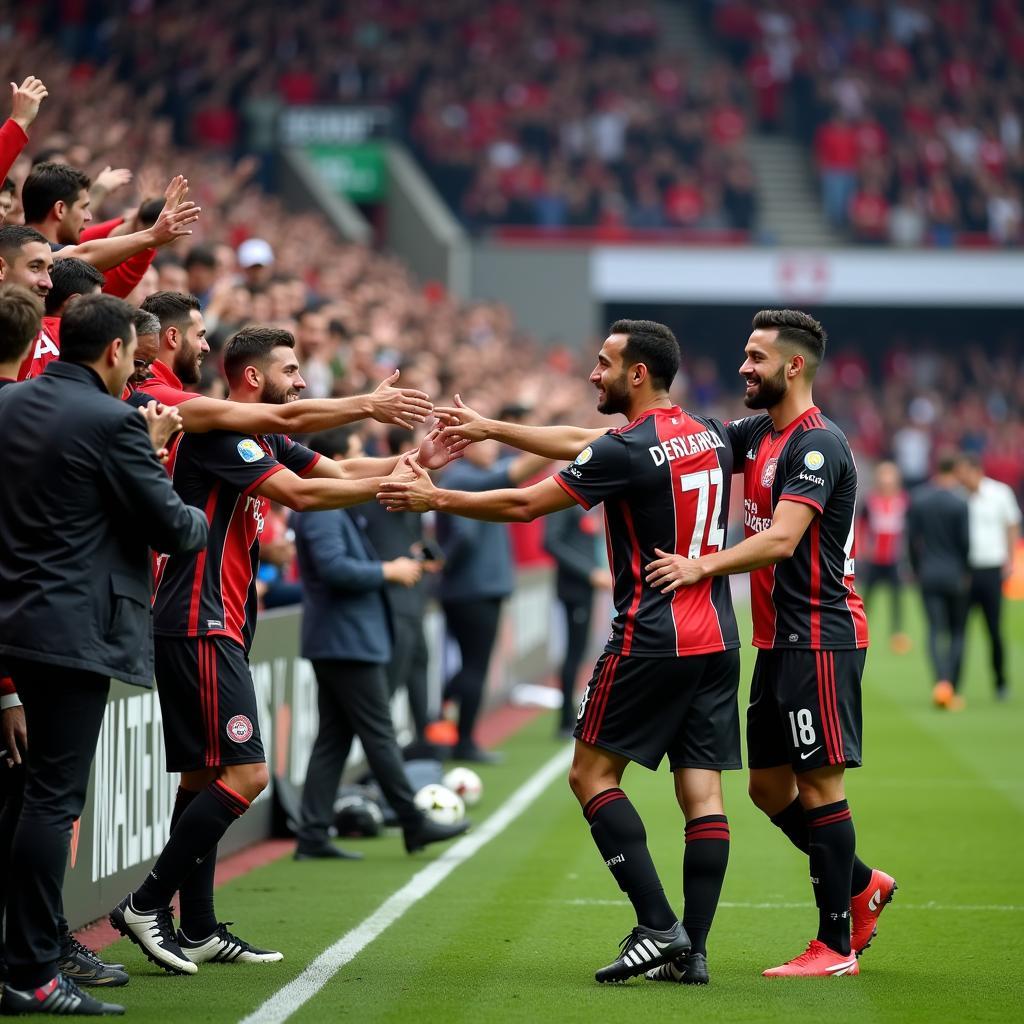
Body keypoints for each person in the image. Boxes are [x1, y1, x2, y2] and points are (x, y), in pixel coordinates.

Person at [383, 319, 743, 986]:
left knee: (590, 776)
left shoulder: (627, 448)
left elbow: (523, 504)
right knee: (703, 794)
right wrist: (493, 429)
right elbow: (586, 443)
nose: (592, 374)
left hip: (651, 636)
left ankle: (658, 923)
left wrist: (436, 497)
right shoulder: (711, 433)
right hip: (718, 636)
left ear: (638, 374)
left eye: (604, 364)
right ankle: (694, 953)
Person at [109, 327, 463, 976]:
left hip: (224, 620)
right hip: (199, 618)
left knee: (204, 777)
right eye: (291, 369)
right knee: (246, 775)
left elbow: (335, 471)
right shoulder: (222, 432)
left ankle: (199, 927)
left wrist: (415, 464)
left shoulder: (261, 434)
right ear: (251, 377)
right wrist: (368, 412)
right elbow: (302, 497)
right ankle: (145, 902)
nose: (301, 380)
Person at [647, 309, 894, 978]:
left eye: (755, 357)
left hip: (820, 637)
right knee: (765, 788)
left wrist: (701, 565)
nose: (742, 368)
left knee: (820, 787)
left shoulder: (818, 446)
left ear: (793, 366)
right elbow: (645, 446)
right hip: (778, 640)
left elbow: (783, 539)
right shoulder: (757, 432)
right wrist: (502, 430)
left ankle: (836, 945)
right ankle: (863, 881)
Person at [0, 293, 207, 1016]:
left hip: (15, 623)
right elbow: (178, 531)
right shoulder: (118, 421)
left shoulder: (8, 404)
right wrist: (158, 448)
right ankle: (30, 972)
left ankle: (23, 955)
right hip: (73, 632)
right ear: (117, 351)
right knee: (52, 802)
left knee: (28, 797)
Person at [292, 427, 471, 861]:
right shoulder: (322, 509)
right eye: (353, 454)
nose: (361, 461)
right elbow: (334, 568)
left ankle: (312, 833)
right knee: (380, 733)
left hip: (346, 637)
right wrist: (387, 571)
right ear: (333, 458)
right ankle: (413, 821)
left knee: (333, 738)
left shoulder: (338, 507)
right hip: (345, 639)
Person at [132, 290, 434, 436]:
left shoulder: (169, 392)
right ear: (172, 337)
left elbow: (340, 473)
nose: (206, 346)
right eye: (199, 335)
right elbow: (302, 490)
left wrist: (417, 460)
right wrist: (368, 405)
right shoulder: (157, 397)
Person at [435, 434, 551, 763]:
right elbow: (463, 538)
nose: (491, 448)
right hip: (473, 588)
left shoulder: (469, 476)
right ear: (463, 447)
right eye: (483, 442)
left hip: (474, 587)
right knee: (475, 666)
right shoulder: (463, 478)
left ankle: (446, 724)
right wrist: (443, 569)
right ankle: (462, 739)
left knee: (472, 665)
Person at [360, 427, 440, 756]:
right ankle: (381, 755)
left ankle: (424, 741)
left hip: (413, 594)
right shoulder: (380, 492)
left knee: (419, 663)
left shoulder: (415, 494)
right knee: (390, 680)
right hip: (391, 596)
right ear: (405, 449)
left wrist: (428, 553)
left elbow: (415, 538)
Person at [907, 454, 971, 709]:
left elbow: (912, 540)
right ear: (955, 469)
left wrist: (915, 568)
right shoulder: (960, 502)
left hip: (929, 574)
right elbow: (965, 542)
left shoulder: (920, 499)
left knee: (934, 630)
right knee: (957, 631)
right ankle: (951, 685)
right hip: (955, 574)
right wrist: (966, 570)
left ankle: (940, 683)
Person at [543, 505, 612, 737]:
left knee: (579, 651)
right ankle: (565, 719)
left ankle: (571, 715)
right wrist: (589, 572)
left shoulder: (584, 499)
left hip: (584, 588)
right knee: (573, 652)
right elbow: (550, 542)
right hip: (574, 589)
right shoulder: (564, 499)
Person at [956, 454, 1020, 701]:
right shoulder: (958, 496)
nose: (961, 477)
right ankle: (952, 682)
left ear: (976, 470)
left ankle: (1001, 681)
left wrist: (1010, 559)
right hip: (966, 571)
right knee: (959, 630)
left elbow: (1012, 524)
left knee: (994, 630)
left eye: (964, 472)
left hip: (992, 569)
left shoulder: (1000, 493)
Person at [859, 461, 911, 653]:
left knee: (897, 599)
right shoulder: (870, 500)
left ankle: (897, 635)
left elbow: (909, 529)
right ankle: (860, 630)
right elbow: (862, 526)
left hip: (894, 558)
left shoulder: (903, 500)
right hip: (874, 559)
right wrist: (864, 549)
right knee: (868, 598)